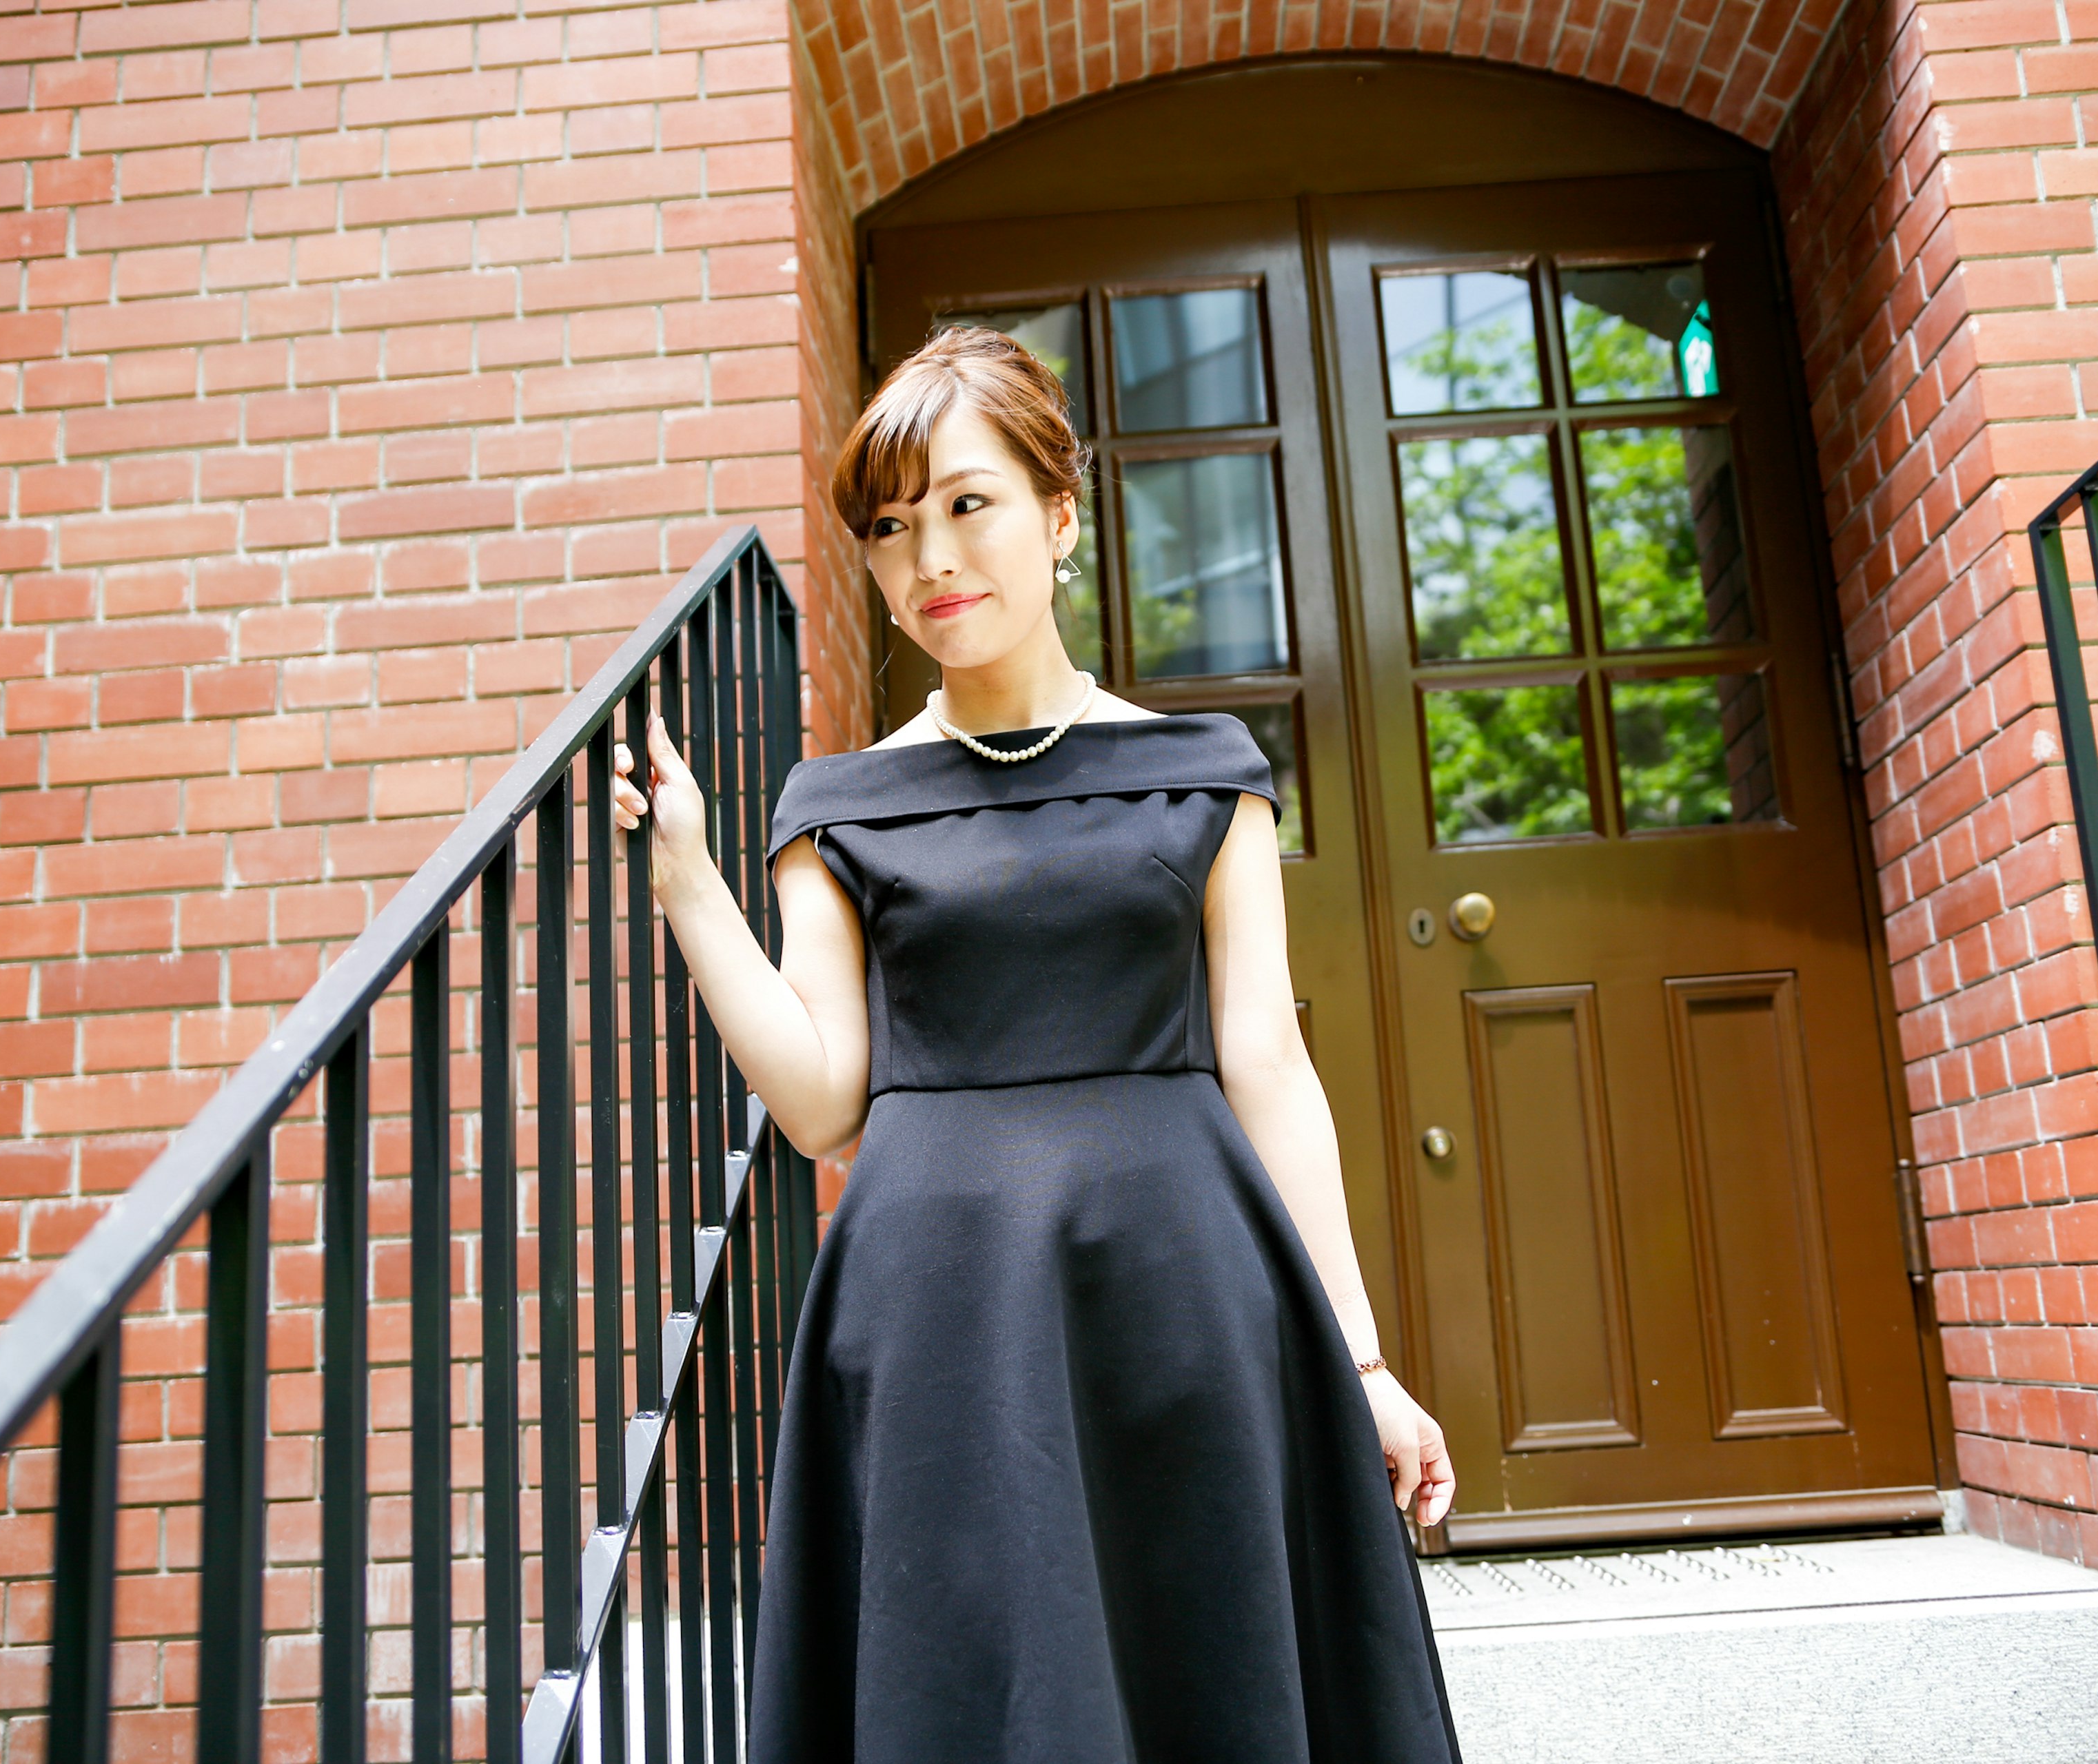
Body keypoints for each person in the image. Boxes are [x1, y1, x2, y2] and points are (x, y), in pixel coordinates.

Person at [611, 325, 1464, 1761]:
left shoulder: (1207, 777)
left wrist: (1364, 1361)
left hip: (1182, 1289)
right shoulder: (841, 806)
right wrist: (693, 885)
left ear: (1060, 516)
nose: (928, 557)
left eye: (966, 504)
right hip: (940, 1313)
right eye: (888, 530)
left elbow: (1268, 1061)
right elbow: (826, 1103)